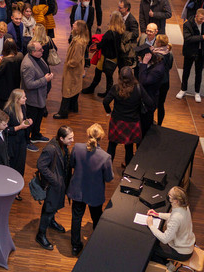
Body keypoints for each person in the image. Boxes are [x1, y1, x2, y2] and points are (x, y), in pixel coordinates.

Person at [68, 124, 114, 256]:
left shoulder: (77, 148)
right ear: (101, 138)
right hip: (94, 193)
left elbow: (72, 164)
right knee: (96, 218)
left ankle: (75, 246)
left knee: (76, 218)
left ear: (88, 134)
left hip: (77, 190)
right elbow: (109, 178)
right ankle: (96, 243)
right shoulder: (105, 157)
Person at [35, 125, 73, 250]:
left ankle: (51, 221)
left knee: (53, 206)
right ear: (61, 138)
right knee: (48, 209)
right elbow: (41, 165)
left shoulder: (62, 146)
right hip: (53, 186)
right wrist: (55, 180)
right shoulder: (50, 149)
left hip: (59, 184)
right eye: (70, 138)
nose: (72, 140)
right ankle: (41, 235)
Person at [103, 67, 148, 167]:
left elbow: (105, 101)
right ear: (132, 77)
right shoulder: (138, 88)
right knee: (129, 148)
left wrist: (109, 112)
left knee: (111, 146)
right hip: (132, 123)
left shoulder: (116, 88)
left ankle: (107, 170)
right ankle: (127, 170)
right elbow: (150, 103)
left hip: (117, 121)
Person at [146, 187, 196, 270]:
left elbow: (165, 239)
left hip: (181, 252)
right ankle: (166, 263)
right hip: (187, 245)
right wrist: (158, 214)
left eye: (170, 195)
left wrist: (151, 225)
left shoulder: (176, 217)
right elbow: (173, 216)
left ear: (176, 201)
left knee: (151, 250)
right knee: (156, 242)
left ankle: (168, 268)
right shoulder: (185, 207)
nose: (168, 196)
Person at [176, 9, 204, 102]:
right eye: (201, 19)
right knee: (186, 71)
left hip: (201, 52)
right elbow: (187, 38)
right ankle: (183, 89)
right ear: (196, 16)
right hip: (190, 51)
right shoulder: (187, 24)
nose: (203, 21)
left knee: (199, 73)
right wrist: (201, 37)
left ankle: (197, 92)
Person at [83, 11, 126, 97]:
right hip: (114, 58)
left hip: (105, 57)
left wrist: (96, 44)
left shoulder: (109, 33)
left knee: (98, 73)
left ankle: (92, 88)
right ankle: (108, 92)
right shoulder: (121, 32)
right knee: (109, 76)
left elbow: (101, 45)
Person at [54, 20, 90, 119]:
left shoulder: (78, 42)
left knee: (68, 89)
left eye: (75, 24)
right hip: (76, 69)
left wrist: (69, 64)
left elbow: (76, 59)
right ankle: (73, 107)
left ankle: (63, 112)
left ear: (79, 28)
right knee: (74, 88)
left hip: (73, 69)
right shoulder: (79, 40)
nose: (73, 25)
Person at [21, 41, 53, 145]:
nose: (43, 50)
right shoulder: (28, 65)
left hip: (40, 97)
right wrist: (45, 80)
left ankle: (36, 135)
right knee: (30, 121)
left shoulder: (38, 57)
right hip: (32, 99)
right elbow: (29, 84)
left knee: (38, 118)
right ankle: (26, 141)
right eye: (40, 50)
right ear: (33, 52)